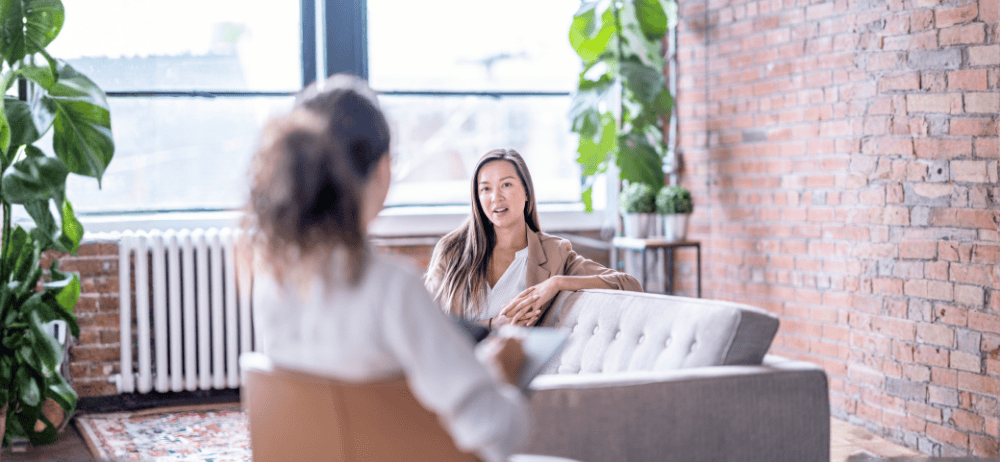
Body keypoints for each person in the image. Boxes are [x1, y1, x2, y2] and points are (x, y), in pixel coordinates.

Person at [244, 75, 530, 462]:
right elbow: (496, 432)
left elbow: (348, 405)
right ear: (382, 170)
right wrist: (501, 376)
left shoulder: (272, 281)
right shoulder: (392, 288)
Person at [425, 149, 642, 329]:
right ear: (478, 198)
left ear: (527, 191)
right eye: (486, 189)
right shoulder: (452, 250)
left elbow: (629, 285)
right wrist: (493, 324)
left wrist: (556, 283)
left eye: (506, 185)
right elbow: (425, 324)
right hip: (460, 369)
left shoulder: (554, 253)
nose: (496, 197)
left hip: (520, 373)